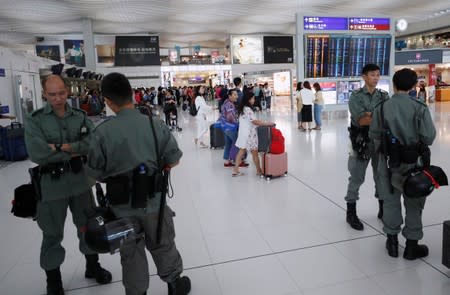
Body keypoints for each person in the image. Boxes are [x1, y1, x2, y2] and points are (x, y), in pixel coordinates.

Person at [86, 73, 191, 295]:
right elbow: (174, 159)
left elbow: (93, 175)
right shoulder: (155, 125)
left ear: (107, 100)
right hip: (154, 203)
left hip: (121, 207)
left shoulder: (102, 132)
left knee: (131, 252)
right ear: (132, 94)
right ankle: (174, 284)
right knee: (163, 243)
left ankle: (137, 291)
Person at [24, 75, 112, 295]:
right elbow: (37, 152)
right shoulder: (35, 120)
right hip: (51, 186)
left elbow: (92, 144)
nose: (58, 98)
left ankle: (93, 266)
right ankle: (53, 280)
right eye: (52, 94)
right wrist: (74, 147)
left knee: (88, 226)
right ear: (44, 94)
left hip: (80, 181)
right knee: (52, 234)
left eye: (61, 93)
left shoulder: (80, 116)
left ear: (67, 91)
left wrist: (59, 147)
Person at [369, 68, 436, 259]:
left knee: (390, 200)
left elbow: (374, 135)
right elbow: (429, 137)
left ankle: (391, 244)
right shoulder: (419, 107)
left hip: (388, 163)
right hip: (413, 163)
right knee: (414, 202)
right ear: (414, 86)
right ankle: (411, 246)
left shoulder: (382, 107)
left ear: (394, 85)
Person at [345, 64, 390, 231]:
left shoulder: (384, 95)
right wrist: (377, 116)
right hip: (361, 142)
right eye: (372, 75)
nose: (376, 78)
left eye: (378, 75)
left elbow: (388, 117)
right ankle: (351, 212)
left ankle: (383, 209)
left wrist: (370, 115)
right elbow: (361, 121)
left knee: (381, 176)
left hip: (379, 142)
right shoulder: (356, 96)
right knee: (357, 176)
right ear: (364, 76)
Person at [232, 93, 274, 177]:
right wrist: (267, 123)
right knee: (255, 153)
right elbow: (254, 121)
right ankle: (259, 170)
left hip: (243, 133)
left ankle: (235, 170)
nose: (254, 100)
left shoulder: (243, 108)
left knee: (241, 152)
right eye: (253, 98)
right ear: (249, 100)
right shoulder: (248, 109)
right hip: (249, 135)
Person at [219, 89, 248, 168]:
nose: (237, 96)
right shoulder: (230, 105)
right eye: (235, 95)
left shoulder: (226, 102)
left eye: (237, 95)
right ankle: (238, 160)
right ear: (230, 96)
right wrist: (239, 122)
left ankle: (226, 161)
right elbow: (230, 117)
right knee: (237, 143)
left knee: (228, 144)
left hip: (225, 127)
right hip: (230, 127)